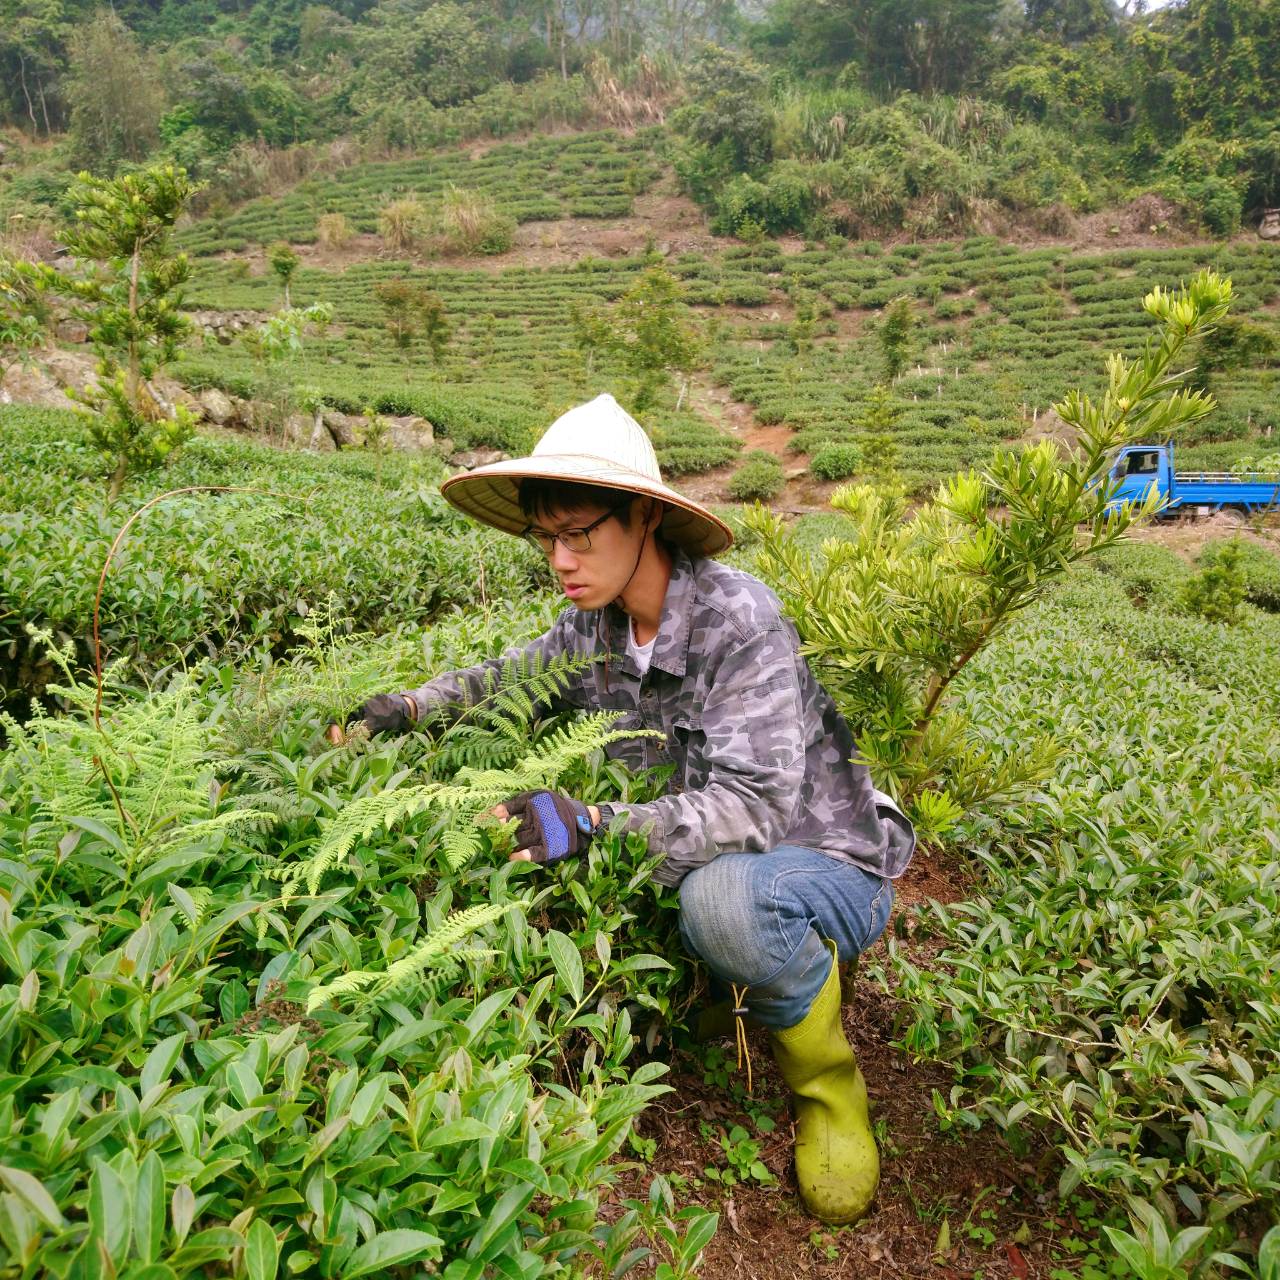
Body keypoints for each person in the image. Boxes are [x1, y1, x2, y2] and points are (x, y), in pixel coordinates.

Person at [347, 392, 915, 1225]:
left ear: (643, 516)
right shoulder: (595, 625)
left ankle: (828, 1085)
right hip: (709, 847)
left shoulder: (739, 621)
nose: (560, 559)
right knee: (684, 891)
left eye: (581, 533)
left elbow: (752, 812)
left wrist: (591, 822)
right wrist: (410, 708)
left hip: (825, 857)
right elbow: (511, 677)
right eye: (548, 537)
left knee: (720, 901)